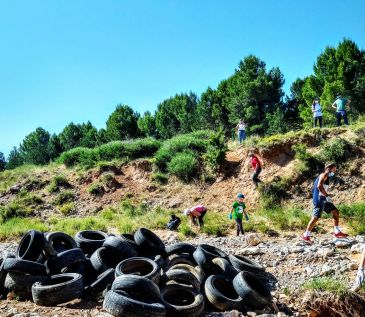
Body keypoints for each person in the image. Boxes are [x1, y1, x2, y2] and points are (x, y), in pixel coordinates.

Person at [302, 163, 348, 244]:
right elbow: (319, 186)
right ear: (329, 169)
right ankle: (306, 235)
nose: (335, 171)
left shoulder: (326, 176)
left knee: (335, 211)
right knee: (316, 217)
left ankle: (337, 232)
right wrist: (326, 195)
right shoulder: (324, 174)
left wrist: (325, 197)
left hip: (323, 198)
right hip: (319, 199)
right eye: (334, 169)